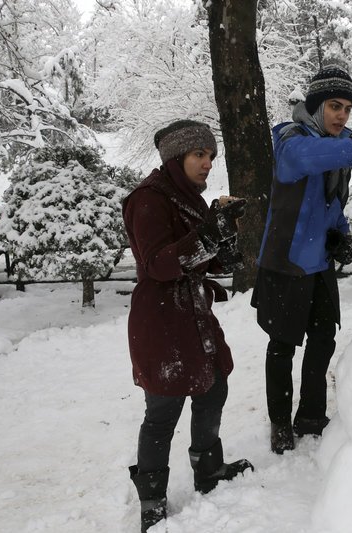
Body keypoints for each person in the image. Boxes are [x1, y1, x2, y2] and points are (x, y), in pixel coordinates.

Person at [251, 60, 352, 454]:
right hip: (286, 262)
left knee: (322, 339)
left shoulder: (337, 151)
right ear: (316, 105)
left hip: (318, 262)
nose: (342, 115)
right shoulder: (291, 140)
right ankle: (280, 423)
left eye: (347, 108)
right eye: (334, 106)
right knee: (283, 345)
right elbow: (310, 156)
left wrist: (342, 235)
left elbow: (333, 203)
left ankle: (311, 415)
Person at [122, 120, 253, 533]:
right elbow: (159, 264)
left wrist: (225, 234)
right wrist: (210, 233)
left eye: (211, 155)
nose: (207, 163)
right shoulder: (148, 199)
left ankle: (209, 470)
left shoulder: (191, 199)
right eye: (199, 154)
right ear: (176, 158)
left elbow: (208, 260)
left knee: (214, 387)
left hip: (194, 312)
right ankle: (152, 501)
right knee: (163, 411)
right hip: (160, 319)